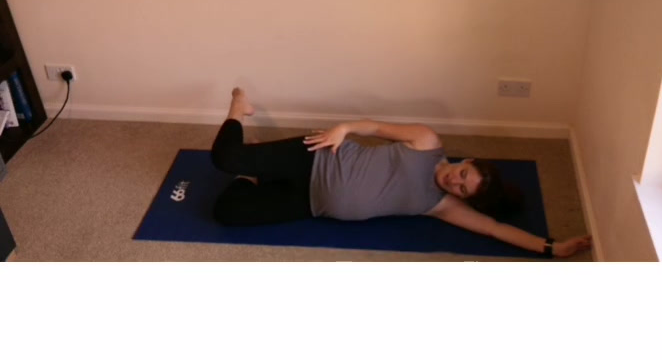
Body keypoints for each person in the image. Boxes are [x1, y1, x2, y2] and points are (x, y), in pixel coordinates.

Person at [210, 88, 593, 259]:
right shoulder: (426, 141)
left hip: (311, 203)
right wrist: (343, 128)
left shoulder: (440, 205)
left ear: (463, 199)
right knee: (225, 158)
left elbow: (494, 229)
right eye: (463, 173)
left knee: (227, 213)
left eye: (463, 189)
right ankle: (239, 108)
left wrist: (550, 247)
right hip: (317, 157)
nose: (455, 182)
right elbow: (375, 127)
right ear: (467, 160)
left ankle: (253, 175)